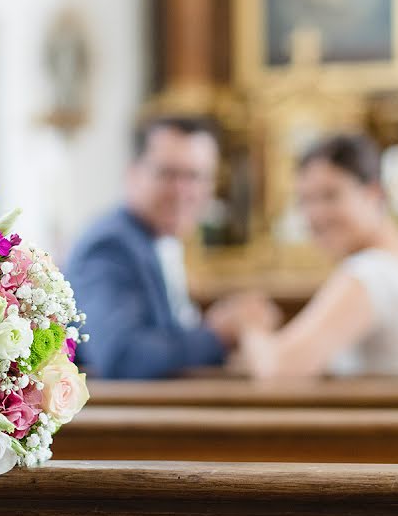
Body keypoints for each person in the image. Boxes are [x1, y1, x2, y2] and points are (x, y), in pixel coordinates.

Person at [239, 133, 398, 380]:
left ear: (373, 194)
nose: (316, 215)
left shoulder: (373, 271)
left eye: (331, 195)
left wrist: (250, 325)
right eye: (305, 200)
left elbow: (280, 370)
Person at [65, 115, 273, 379]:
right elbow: (121, 355)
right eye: (168, 174)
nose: (183, 191)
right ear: (133, 174)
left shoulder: (154, 238)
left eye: (196, 176)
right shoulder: (110, 246)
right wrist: (217, 335)